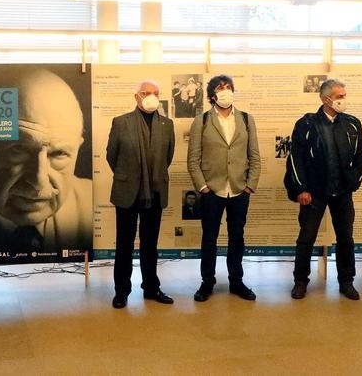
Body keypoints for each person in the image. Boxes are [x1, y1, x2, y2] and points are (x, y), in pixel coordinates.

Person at [0, 68, 91, 256]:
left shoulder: (93, 206)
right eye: (18, 150)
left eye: (59, 154)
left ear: (77, 149)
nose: (39, 183)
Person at [284, 78, 362, 300]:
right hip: (314, 193)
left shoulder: (352, 123)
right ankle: (300, 281)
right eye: (339, 96)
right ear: (325, 98)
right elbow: (296, 158)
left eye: (344, 95)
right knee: (306, 238)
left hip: (342, 192)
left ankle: (346, 281)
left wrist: (354, 182)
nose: (343, 100)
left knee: (345, 239)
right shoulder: (306, 124)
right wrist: (301, 189)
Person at [187, 74, 261, 302]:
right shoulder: (201, 121)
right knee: (209, 238)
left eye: (228, 87)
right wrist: (202, 187)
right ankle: (207, 282)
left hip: (239, 190)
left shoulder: (247, 120)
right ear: (212, 95)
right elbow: (193, 160)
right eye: (220, 88)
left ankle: (236, 281)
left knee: (237, 238)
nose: (226, 91)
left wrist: (250, 186)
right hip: (212, 190)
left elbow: (255, 157)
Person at [106, 80, 176, 309]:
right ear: (136, 97)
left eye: (156, 93)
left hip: (154, 192)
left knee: (150, 244)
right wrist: (130, 175)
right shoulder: (121, 122)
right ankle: (121, 291)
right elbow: (112, 156)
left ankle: (151, 288)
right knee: (124, 244)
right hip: (127, 191)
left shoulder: (167, 124)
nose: (151, 97)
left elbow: (167, 157)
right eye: (146, 93)